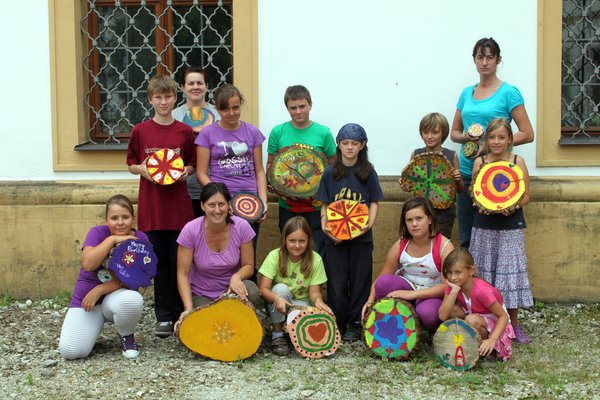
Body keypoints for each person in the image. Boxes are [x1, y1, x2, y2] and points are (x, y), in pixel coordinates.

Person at [126, 74, 196, 337]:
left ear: (175, 98)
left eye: (168, 96)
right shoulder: (140, 131)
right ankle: (164, 316)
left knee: (182, 262)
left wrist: (186, 172)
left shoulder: (184, 131)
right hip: (152, 208)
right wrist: (142, 169)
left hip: (178, 208)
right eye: (158, 97)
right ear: (150, 99)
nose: (163, 101)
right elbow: (131, 163)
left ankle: (183, 312)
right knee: (160, 263)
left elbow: (191, 162)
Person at [450, 37, 534, 249]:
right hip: (468, 173)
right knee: (467, 238)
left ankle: (493, 283)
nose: (484, 62)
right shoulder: (466, 93)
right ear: (474, 60)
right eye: (480, 57)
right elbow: (454, 133)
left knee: (496, 241)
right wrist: (467, 137)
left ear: (498, 60)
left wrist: (490, 146)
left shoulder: (508, 92)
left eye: (489, 57)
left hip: (499, 176)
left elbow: (527, 133)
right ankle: (472, 283)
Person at [469, 117, 533, 344]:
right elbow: (474, 191)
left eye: (501, 137)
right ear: (486, 140)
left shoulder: (518, 161)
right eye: (492, 137)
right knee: (484, 277)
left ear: (510, 140)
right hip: (484, 226)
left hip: (510, 227)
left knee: (510, 278)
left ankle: (513, 327)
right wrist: (480, 204)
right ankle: (485, 325)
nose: (496, 142)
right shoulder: (480, 162)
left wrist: (513, 206)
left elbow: (526, 194)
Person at [317, 123, 383, 341]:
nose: (349, 148)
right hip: (334, 239)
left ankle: (356, 322)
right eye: (345, 143)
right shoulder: (329, 173)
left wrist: (369, 225)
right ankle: (338, 320)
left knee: (360, 279)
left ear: (362, 145)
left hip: (362, 239)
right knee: (336, 281)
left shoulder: (368, 172)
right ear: (338, 145)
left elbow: (374, 202)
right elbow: (324, 205)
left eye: (354, 143)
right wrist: (326, 227)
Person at [59, 195, 146, 359]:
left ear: (132, 219)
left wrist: (99, 290)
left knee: (132, 299)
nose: (120, 222)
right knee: (71, 351)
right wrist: (112, 239)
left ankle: (126, 335)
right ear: (106, 220)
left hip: (116, 299)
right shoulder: (97, 233)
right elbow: (88, 265)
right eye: (114, 218)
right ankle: (92, 328)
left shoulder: (140, 239)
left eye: (125, 217)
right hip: (88, 301)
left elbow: (133, 278)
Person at [175, 182, 262, 330]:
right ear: (202, 206)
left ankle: (240, 326)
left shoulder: (242, 227)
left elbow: (248, 266)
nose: (217, 210)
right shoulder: (190, 230)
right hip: (202, 293)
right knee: (206, 322)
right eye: (211, 205)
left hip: (230, 290)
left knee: (252, 292)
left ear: (229, 205)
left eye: (221, 204)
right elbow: (182, 274)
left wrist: (236, 277)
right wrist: (188, 308)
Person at [196, 84, 267, 261]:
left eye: (235, 108)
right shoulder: (207, 134)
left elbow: (259, 170)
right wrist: (221, 199)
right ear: (218, 109)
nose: (232, 113)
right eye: (225, 109)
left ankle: (249, 288)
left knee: (248, 256)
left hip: (250, 204)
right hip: (222, 205)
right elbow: (201, 173)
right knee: (227, 255)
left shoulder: (252, 132)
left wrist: (263, 201)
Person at [363, 197, 454, 331]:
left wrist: (412, 295)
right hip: (407, 288)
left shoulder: (444, 247)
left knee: (428, 314)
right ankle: (401, 318)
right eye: (409, 220)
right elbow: (380, 279)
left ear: (429, 219)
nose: (414, 224)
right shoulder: (401, 244)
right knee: (384, 283)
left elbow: (447, 287)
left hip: (431, 293)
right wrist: (370, 301)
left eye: (419, 218)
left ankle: (416, 320)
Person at [267, 85, 337, 255]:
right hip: (287, 207)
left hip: (316, 208)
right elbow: (270, 165)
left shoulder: (323, 133)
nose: (298, 111)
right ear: (287, 108)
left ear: (310, 105)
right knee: (290, 252)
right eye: (293, 108)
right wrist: (274, 183)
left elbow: (334, 166)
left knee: (317, 253)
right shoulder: (277, 132)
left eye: (302, 106)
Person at [258, 216, 332, 355]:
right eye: (292, 240)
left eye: (302, 241)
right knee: (280, 289)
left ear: (308, 241)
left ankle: (294, 335)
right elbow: (263, 289)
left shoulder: (315, 259)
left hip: (302, 304)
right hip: (279, 303)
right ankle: (278, 335)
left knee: (313, 326)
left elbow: (314, 293)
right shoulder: (275, 256)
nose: (297, 245)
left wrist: (319, 301)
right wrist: (277, 299)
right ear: (284, 240)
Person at [438, 247, 515, 361]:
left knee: (471, 320)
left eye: (458, 272)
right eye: (449, 272)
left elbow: (503, 317)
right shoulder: (453, 286)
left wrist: (492, 339)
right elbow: (443, 316)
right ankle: (470, 344)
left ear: (471, 271)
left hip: (499, 328)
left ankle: (490, 349)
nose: (453, 277)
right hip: (478, 320)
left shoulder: (482, 291)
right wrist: (454, 291)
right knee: (453, 310)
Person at [404, 112, 464, 239]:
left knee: (441, 245)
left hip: (444, 212)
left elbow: (459, 190)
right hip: (421, 210)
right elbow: (410, 184)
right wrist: (405, 181)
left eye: (435, 132)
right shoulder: (416, 154)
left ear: (443, 133)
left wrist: (458, 180)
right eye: (426, 132)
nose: (429, 136)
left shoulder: (451, 155)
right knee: (420, 242)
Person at [172, 67, 220, 218]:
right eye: (190, 83)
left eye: (199, 83)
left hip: (215, 185)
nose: (195, 87)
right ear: (182, 87)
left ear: (206, 86)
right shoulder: (174, 115)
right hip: (183, 188)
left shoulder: (219, 114)